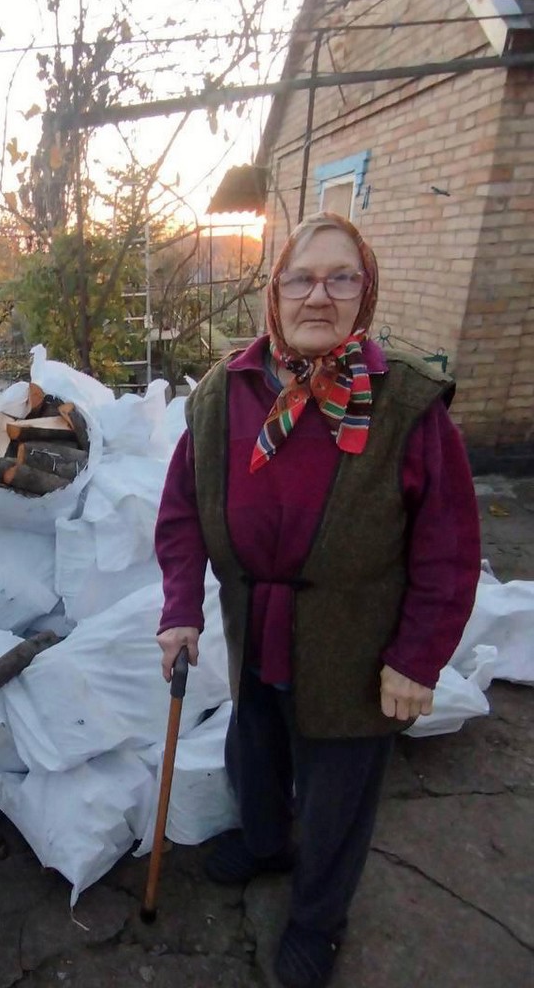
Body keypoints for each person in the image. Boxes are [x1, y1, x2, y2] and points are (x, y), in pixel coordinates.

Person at [154, 213, 479, 988]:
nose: (319, 296)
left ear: (366, 293)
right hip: (256, 625)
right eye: (300, 278)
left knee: (338, 795)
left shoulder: (405, 404)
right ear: (275, 292)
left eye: (341, 278)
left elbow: (449, 546)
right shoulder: (225, 392)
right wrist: (181, 609)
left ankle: (317, 920)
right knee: (254, 752)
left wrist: (417, 659)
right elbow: (181, 512)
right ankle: (266, 844)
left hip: (353, 643)